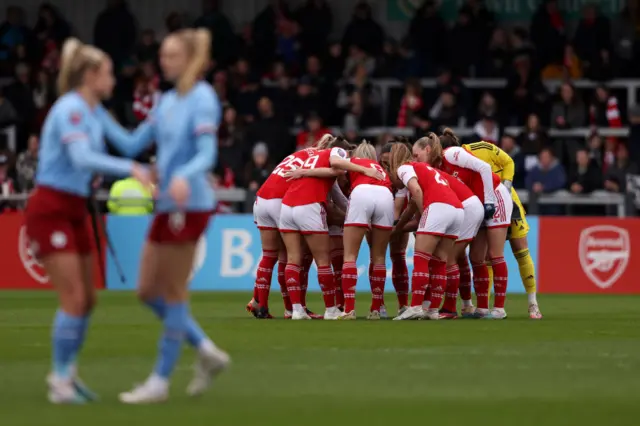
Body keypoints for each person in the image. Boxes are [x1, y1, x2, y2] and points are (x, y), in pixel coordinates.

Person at [95, 29, 230, 404]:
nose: (163, 61)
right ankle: (204, 349)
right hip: (168, 204)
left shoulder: (202, 98)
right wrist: (94, 107)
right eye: (163, 55)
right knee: (145, 291)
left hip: (191, 205)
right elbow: (131, 144)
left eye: (171, 55)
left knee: (172, 292)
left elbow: (207, 154)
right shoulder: (166, 100)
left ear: (188, 59)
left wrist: (184, 176)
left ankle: (160, 380)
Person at [24, 38, 151, 403]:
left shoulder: (94, 110)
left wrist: (167, 115)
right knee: (74, 297)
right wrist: (131, 169)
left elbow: (128, 143)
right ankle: (60, 381)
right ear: (92, 75)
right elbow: (82, 157)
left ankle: (68, 374)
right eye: (109, 72)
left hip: (76, 207)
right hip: (51, 208)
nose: (114, 79)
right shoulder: (72, 110)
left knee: (87, 300)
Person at [279, 138, 384, 320]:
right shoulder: (335, 152)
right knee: (323, 260)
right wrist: (365, 169)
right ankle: (330, 309)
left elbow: (340, 197)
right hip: (309, 205)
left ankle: (296, 310)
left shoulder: (315, 158)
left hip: (287, 207)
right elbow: (337, 163)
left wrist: (354, 215)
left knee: (293, 259)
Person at [459, 139, 542, 319]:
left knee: (520, 250)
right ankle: (486, 306)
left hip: (506, 200)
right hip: (485, 206)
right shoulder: (453, 167)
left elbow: (509, 162)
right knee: (487, 256)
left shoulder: (480, 148)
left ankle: (533, 303)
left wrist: (505, 188)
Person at [437, 129, 513, 319]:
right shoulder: (442, 167)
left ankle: (499, 309)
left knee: (495, 255)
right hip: (478, 204)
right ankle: (482, 308)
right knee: (477, 258)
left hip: (495, 196)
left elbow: (485, 168)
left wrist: (489, 201)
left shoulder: (453, 153)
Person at [389, 139, 464, 321]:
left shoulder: (404, 168)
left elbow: (415, 190)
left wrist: (424, 215)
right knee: (440, 261)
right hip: (457, 210)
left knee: (421, 258)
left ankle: (415, 306)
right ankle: (432, 311)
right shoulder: (426, 169)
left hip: (438, 207)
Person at [411, 139, 484, 318]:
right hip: (467, 206)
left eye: (416, 155)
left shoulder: (425, 169)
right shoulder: (434, 170)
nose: (414, 159)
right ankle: (463, 304)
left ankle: (449, 308)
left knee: (447, 258)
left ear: (427, 150)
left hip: (467, 207)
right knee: (454, 258)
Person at [337, 141, 394, 320]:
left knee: (350, 256)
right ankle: (376, 309)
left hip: (361, 193)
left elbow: (339, 177)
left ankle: (350, 309)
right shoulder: (380, 168)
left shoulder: (353, 162)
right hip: (385, 195)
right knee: (378, 257)